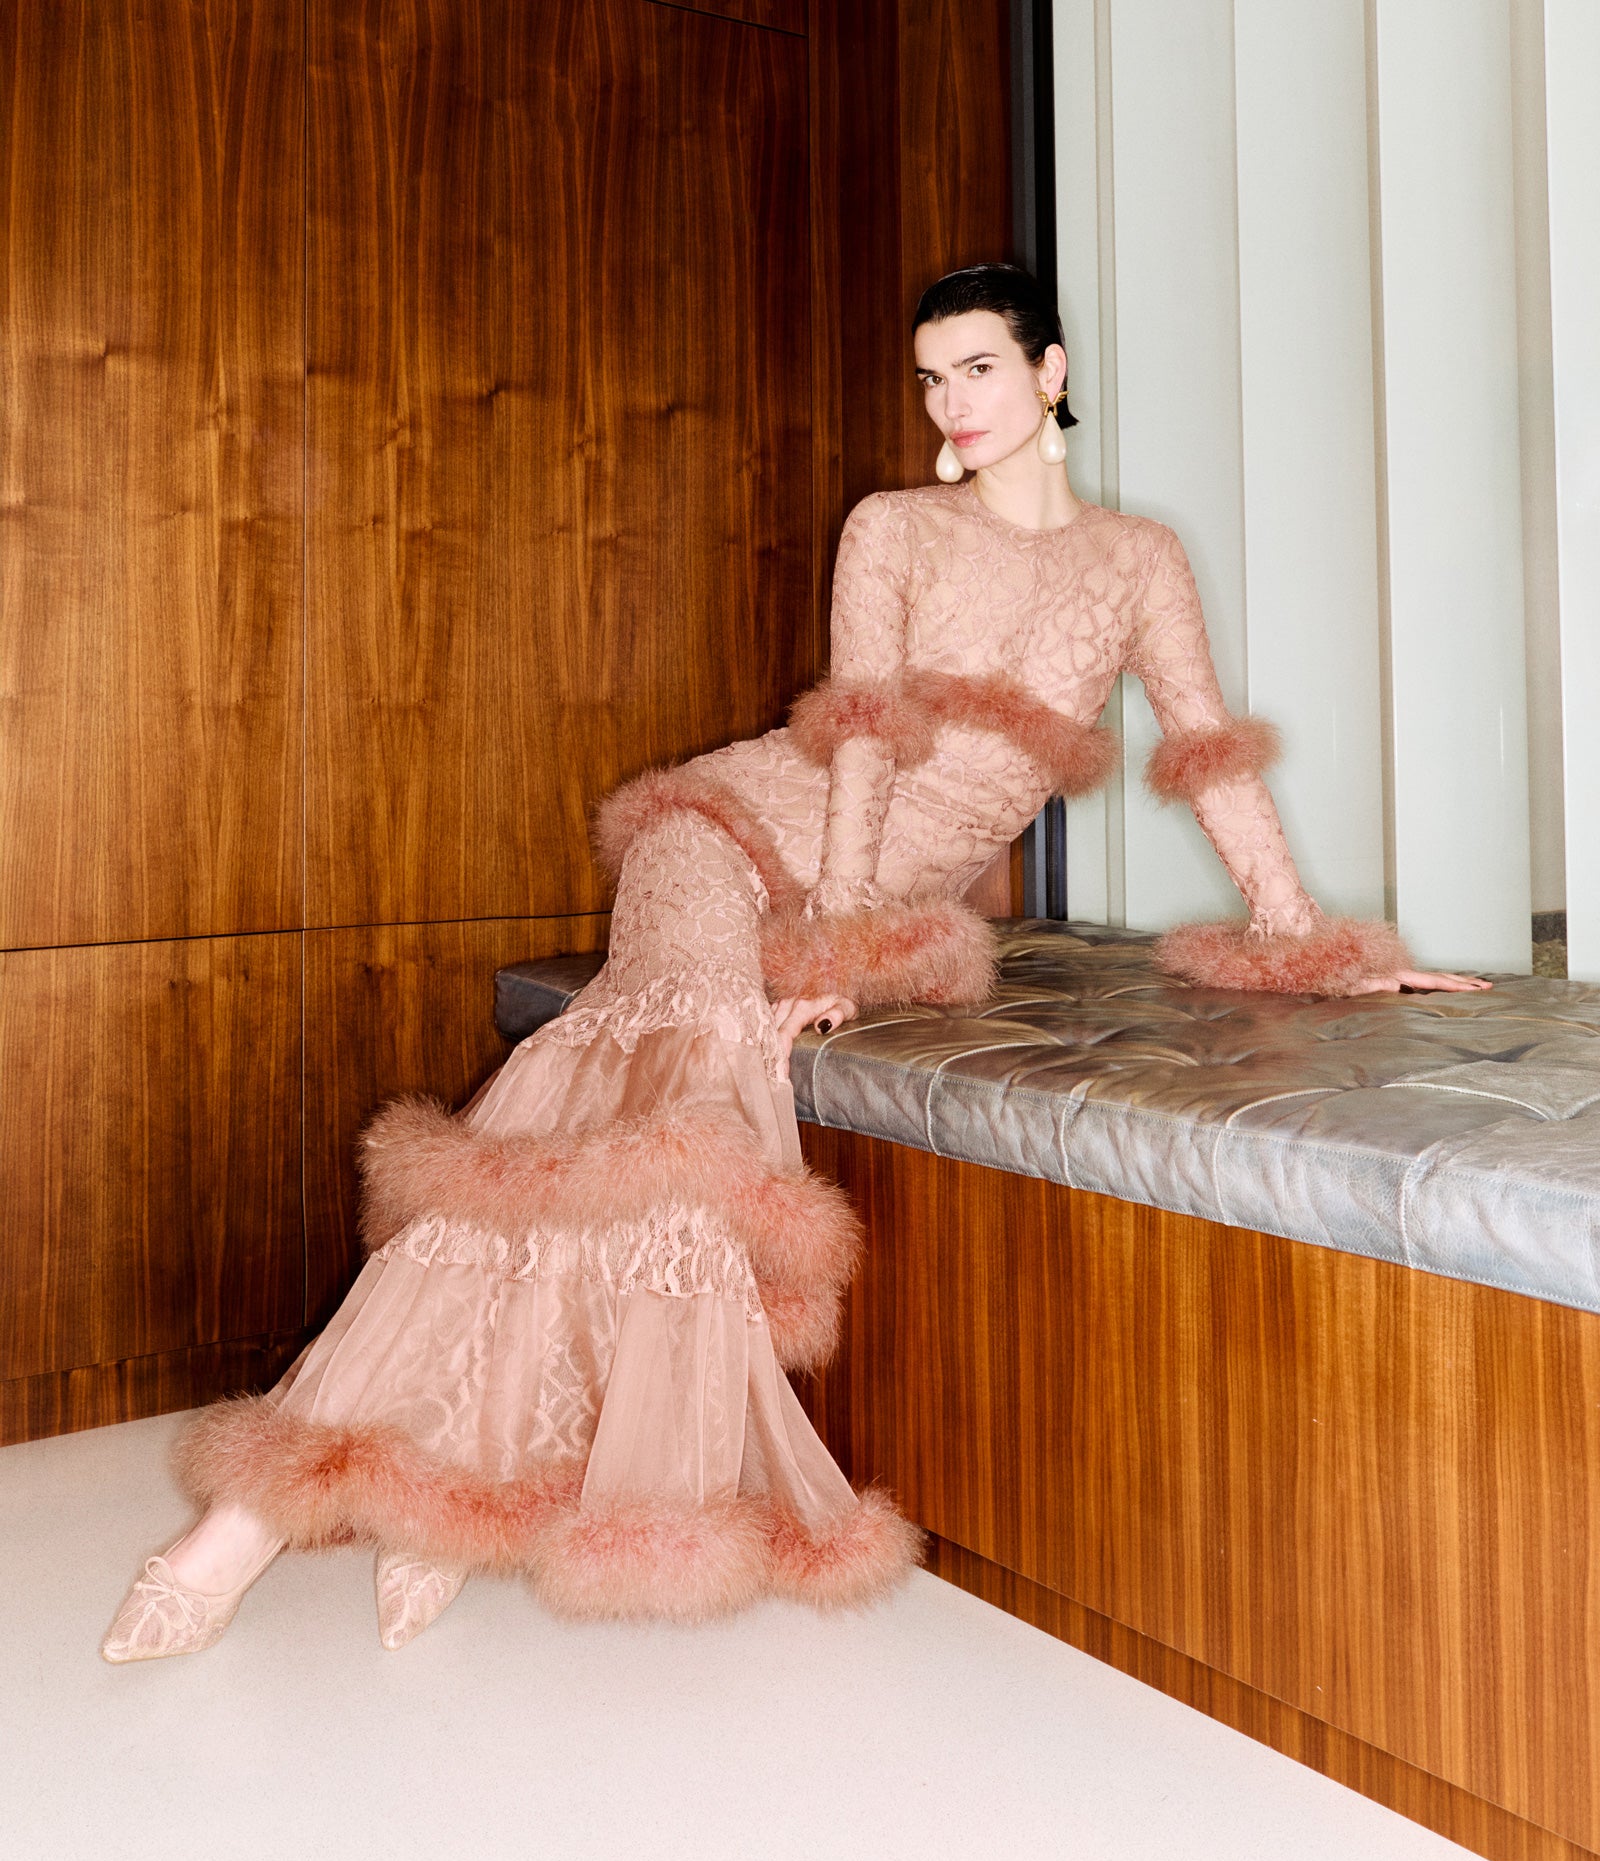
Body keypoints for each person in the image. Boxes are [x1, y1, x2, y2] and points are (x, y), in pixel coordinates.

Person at [102, 263, 1487, 1663]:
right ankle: (251, 1525)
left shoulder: (1139, 560)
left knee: (651, 1113)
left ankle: (454, 1497)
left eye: (980, 369)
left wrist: (1308, 941)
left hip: (876, 897)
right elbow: (858, 742)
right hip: (735, 834)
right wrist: (833, 933)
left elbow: (1205, 754)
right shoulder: (892, 526)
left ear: (1052, 371)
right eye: (933, 377)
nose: (952, 403)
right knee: (675, 1078)